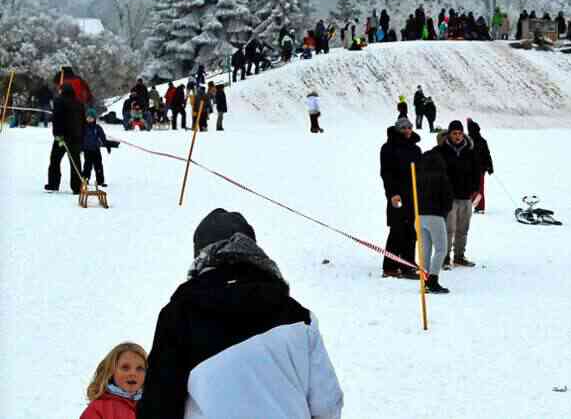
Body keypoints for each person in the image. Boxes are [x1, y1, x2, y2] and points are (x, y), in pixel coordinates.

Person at [138, 208, 344, 417]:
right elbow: (327, 405)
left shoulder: (179, 318)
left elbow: (158, 408)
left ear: (200, 255)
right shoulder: (297, 315)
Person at [380, 120, 422, 279]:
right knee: (397, 230)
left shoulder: (415, 149)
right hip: (397, 196)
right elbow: (386, 173)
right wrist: (392, 193)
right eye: (404, 128)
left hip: (413, 195)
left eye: (410, 127)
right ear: (397, 130)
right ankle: (390, 266)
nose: (408, 130)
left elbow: (420, 172)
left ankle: (407, 264)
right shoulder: (389, 148)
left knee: (410, 230)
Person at [436, 120, 480, 268]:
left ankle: (460, 256)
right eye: (454, 133)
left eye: (460, 133)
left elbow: (476, 170)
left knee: (463, 229)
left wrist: (475, 188)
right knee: (449, 229)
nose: (457, 136)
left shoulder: (470, 150)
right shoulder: (441, 150)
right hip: (449, 198)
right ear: (449, 134)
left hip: (466, 196)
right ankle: (445, 258)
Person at [415, 145, 453, 293]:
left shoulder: (417, 176)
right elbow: (448, 199)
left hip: (419, 216)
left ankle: (424, 281)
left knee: (425, 250)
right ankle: (433, 280)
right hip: (435, 216)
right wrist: (444, 210)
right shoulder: (442, 177)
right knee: (441, 249)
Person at [81, 342, 147, 419]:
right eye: (125, 367)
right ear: (111, 371)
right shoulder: (98, 409)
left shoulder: (155, 405)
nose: (133, 373)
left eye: (139, 368)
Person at [46, 84, 85, 194]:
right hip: (76, 137)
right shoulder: (79, 103)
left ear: (62, 91)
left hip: (62, 137)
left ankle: (53, 184)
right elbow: (83, 121)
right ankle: (77, 187)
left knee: (55, 160)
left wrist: (57, 133)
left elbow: (57, 118)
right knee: (75, 162)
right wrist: (82, 137)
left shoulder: (59, 101)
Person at [81, 109, 113, 188]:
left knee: (98, 165)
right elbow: (80, 138)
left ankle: (100, 181)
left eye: (91, 117)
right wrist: (80, 148)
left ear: (94, 118)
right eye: (88, 117)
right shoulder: (83, 127)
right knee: (87, 166)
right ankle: (85, 179)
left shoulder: (97, 128)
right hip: (87, 150)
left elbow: (103, 137)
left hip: (96, 149)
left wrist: (107, 145)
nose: (89, 119)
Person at [468, 119, 494, 214]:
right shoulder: (482, 141)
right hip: (480, 169)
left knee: (471, 188)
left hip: (472, 169)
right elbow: (487, 155)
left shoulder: (468, 141)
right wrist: (490, 167)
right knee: (479, 188)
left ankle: (476, 205)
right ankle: (479, 206)